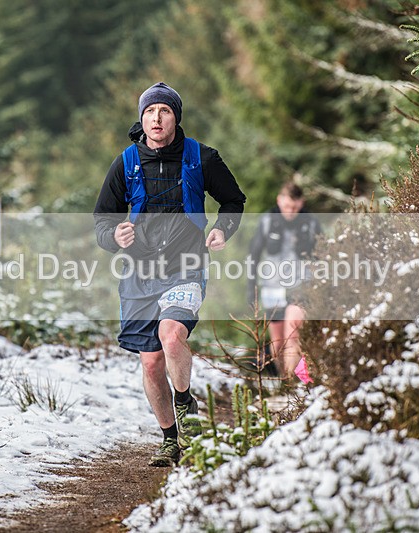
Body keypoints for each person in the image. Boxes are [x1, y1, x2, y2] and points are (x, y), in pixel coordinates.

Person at [94, 82, 246, 467]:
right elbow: (101, 220)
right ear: (141, 118)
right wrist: (114, 236)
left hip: (186, 267)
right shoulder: (126, 162)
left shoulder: (202, 158)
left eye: (164, 111)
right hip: (140, 273)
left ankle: (184, 401)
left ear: (176, 117)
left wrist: (221, 229)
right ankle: (169, 438)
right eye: (149, 112)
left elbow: (233, 200)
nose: (156, 118)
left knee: (171, 334)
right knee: (150, 361)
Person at [246, 181, 321, 381]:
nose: (290, 211)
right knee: (278, 342)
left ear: (301, 203)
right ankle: (282, 379)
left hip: (301, 286)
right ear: (279, 201)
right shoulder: (268, 220)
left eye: (295, 208)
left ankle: (292, 384)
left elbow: (323, 256)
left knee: (293, 335)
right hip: (272, 287)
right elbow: (253, 254)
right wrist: (250, 286)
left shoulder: (311, 223)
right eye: (287, 206)